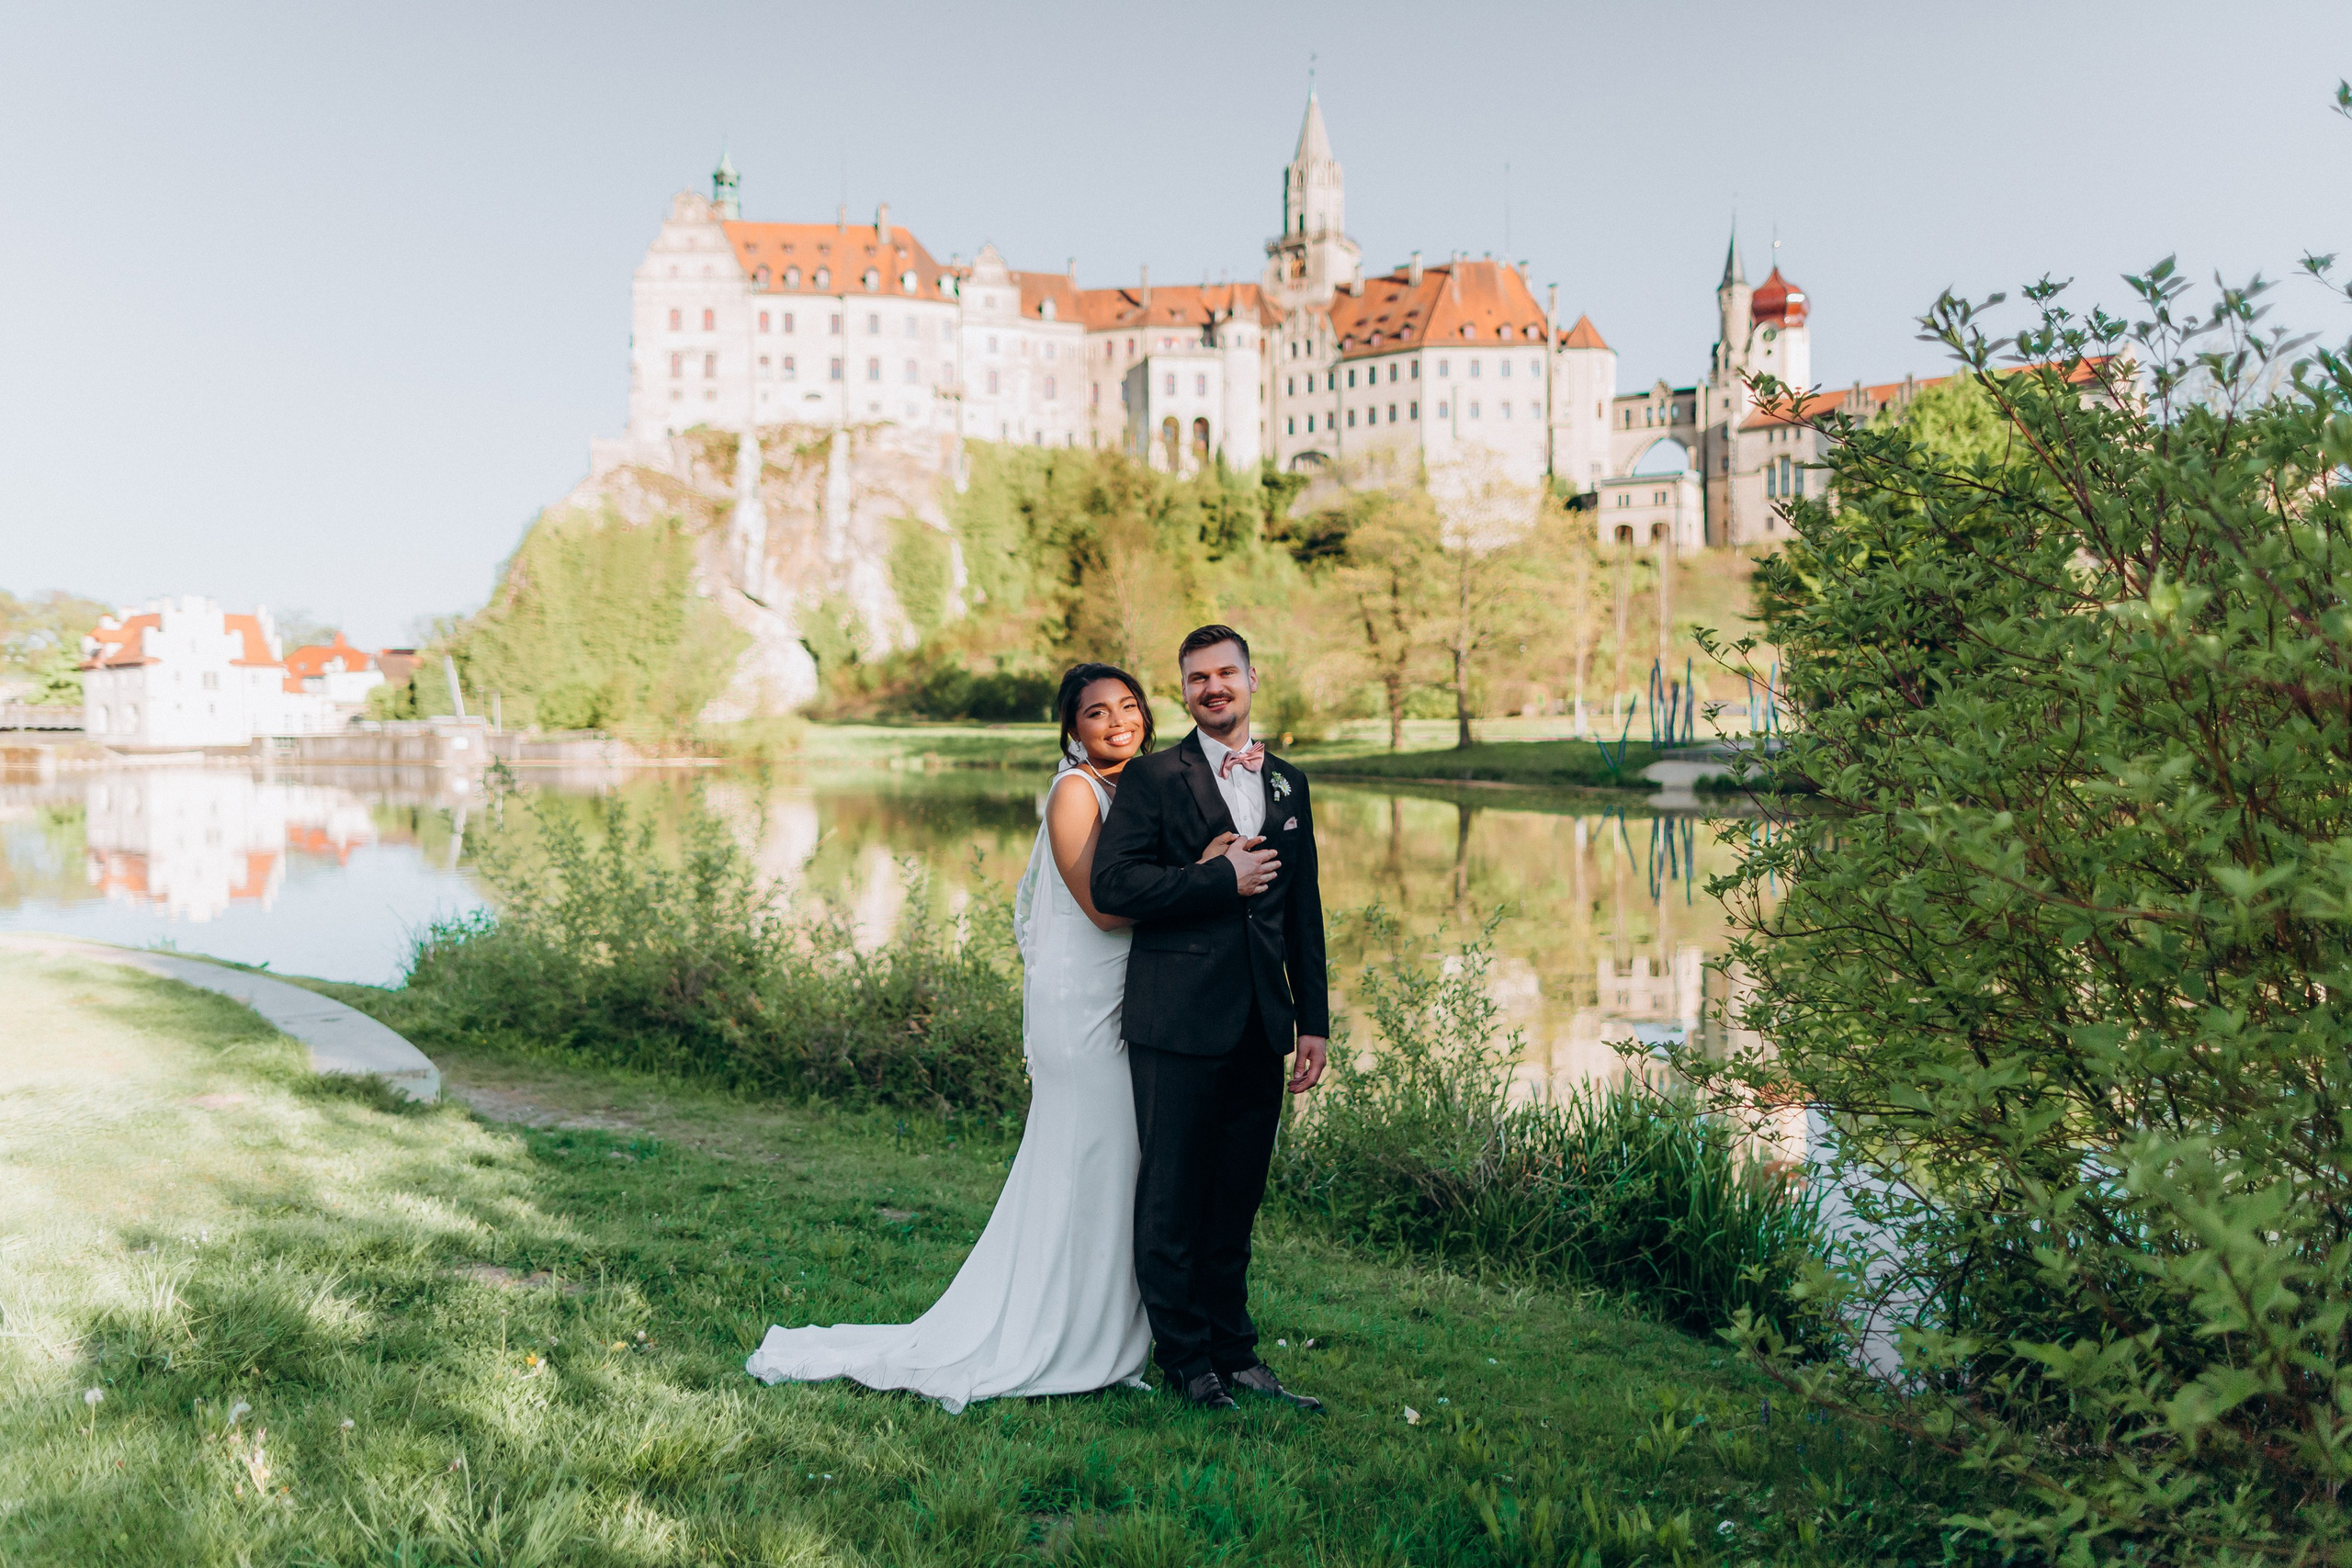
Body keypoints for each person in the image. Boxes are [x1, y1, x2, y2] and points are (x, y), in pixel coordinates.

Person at [743, 662, 1233, 1412]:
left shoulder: (1139, 787)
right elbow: (1104, 904)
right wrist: (1204, 874)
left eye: (1128, 705)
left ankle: (1103, 1331)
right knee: (1092, 1155)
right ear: (1072, 728)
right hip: (1083, 1002)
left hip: (1126, 995)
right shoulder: (1075, 791)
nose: (1117, 720)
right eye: (1096, 712)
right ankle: (1056, 1334)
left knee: (1115, 1164)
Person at [1091, 624, 1329, 1412]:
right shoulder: (1154, 779)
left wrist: (1314, 1021)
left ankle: (1239, 1351)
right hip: (1178, 1021)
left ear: (1253, 679)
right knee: (1172, 1199)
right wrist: (1216, 878)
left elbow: (1305, 913)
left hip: (1263, 1022)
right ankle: (1187, 1358)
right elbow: (1116, 887)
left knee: (1235, 1198)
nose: (1213, 688)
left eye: (1227, 673)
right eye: (1198, 678)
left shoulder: (1290, 782)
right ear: (1184, 690)